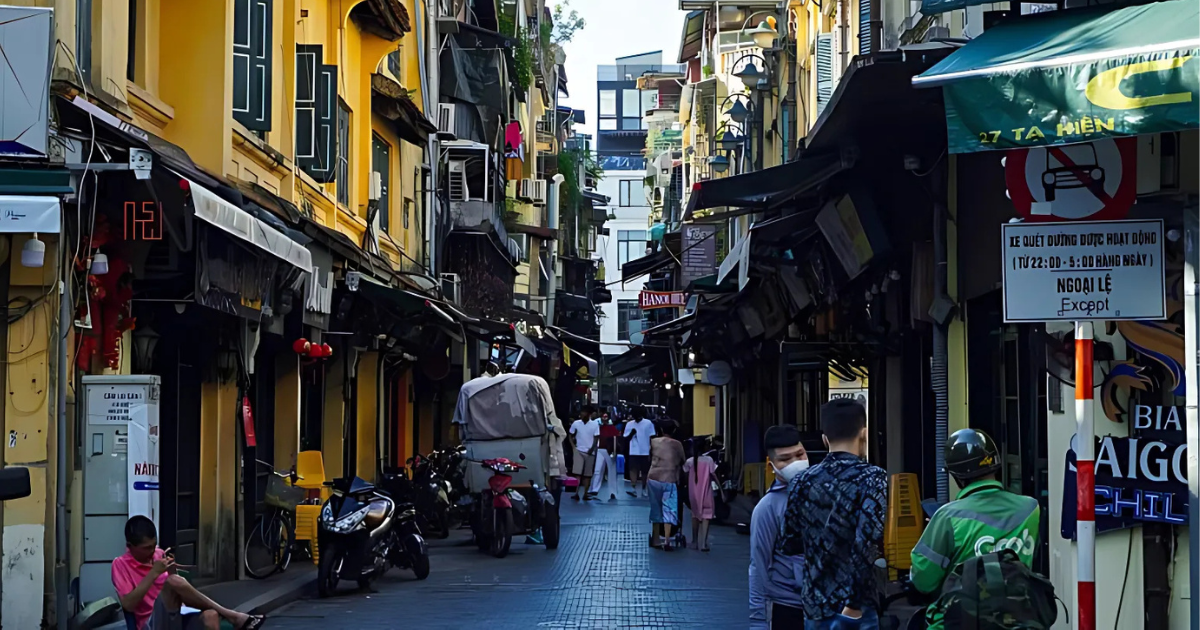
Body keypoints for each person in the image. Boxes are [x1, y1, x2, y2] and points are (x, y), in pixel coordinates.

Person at [910, 429, 1041, 630]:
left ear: (955, 474)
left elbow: (924, 580)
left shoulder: (947, 517)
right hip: (1018, 620)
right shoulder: (1031, 509)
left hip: (957, 622)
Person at [780, 398, 886, 630]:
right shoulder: (873, 478)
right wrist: (854, 605)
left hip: (815, 604)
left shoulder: (802, 481)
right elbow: (868, 544)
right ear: (864, 434)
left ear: (824, 438)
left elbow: (788, 542)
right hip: (859, 607)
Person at [113, 515, 264, 630]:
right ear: (130, 546)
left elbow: (174, 587)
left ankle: (230, 616)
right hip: (151, 622)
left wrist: (172, 571)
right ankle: (232, 616)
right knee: (172, 582)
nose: (152, 551)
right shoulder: (120, 564)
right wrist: (153, 573)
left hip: (176, 613)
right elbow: (128, 605)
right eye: (146, 548)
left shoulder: (159, 554)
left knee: (210, 616)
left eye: (153, 546)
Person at [749, 425, 809, 629]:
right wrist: (758, 620)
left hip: (827, 609)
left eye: (799, 454)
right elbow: (758, 565)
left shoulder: (826, 494)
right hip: (787, 607)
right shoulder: (767, 508)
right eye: (785, 459)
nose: (795, 463)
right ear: (772, 465)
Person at [647, 421, 686, 550]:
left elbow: (650, 457)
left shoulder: (653, 442)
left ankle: (656, 538)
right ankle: (667, 540)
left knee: (656, 508)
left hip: (653, 478)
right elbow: (683, 461)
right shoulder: (677, 444)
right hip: (669, 478)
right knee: (669, 510)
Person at [682, 437, 718, 552]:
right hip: (707, 492)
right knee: (707, 515)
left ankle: (694, 541)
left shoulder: (690, 461)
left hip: (693, 493)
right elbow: (714, 475)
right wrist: (721, 490)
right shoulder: (709, 460)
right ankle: (703, 544)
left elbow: (685, 475)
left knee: (695, 515)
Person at [569, 404, 601, 501]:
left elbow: (596, 438)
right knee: (577, 473)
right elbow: (570, 435)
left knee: (587, 474)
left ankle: (585, 493)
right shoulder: (576, 423)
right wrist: (573, 447)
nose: (582, 414)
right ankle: (576, 493)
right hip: (579, 450)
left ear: (589, 414)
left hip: (590, 452)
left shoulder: (595, 424)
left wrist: (592, 448)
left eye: (585, 412)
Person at [623, 406, 657, 497]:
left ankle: (644, 488)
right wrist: (631, 434)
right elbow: (625, 438)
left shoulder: (648, 423)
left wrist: (652, 449)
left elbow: (652, 437)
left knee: (645, 471)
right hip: (633, 450)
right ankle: (633, 487)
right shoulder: (629, 424)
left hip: (645, 450)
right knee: (633, 469)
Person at [588, 412, 622, 501]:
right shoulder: (599, 427)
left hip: (608, 450)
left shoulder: (609, 428)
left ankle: (612, 491)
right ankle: (595, 489)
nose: (604, 418)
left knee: (609, 471)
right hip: (602, 449)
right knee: (598, 470)